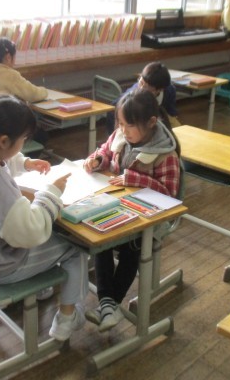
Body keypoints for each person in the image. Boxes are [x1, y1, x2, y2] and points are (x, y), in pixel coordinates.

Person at [0, 94, 88, 341]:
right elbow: (30, 233)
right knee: (75, 248)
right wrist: (51, 193)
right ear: (4, 140)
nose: (24, 143)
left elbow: (0, 160)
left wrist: (25, 163)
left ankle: (42, 286)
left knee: (50, 235)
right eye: (23, 139)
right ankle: (67, 319)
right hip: (2, 265)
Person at [83, 88, 181, 331]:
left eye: (130, 125)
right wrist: (97, 160)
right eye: (120, 124)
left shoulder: (165, 154)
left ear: (151, 122)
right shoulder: (121, 136)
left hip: (147, 220)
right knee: (100, 239)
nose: (123, 131)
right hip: (118, 207)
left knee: (131, 248)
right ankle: (109, 306)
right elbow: (105, 152)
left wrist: (136, 179)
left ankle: (108, 303)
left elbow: (169, 194)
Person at [106, 62, 179, 134]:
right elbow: (113, 109)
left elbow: (171, 113)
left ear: (160, 90)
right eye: (141, 82)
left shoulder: (169, 91)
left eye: (146, 87)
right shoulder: (132, 97)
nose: (141, 88)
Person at [0, 37, 47, 103]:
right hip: (2, 112)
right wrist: (45, 91)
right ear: (8, 57)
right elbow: (33, 95)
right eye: (14, 57)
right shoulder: (9, 75)